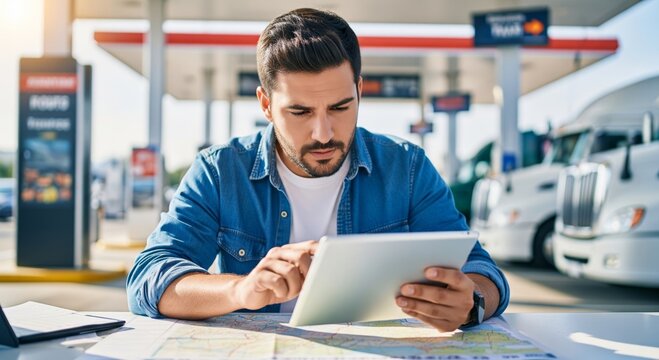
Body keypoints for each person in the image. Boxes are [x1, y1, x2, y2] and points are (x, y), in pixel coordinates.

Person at [127, 8, 509, 332]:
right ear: (265, 104)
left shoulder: (407, 167)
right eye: (300, 112)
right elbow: (149, 277)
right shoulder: (220, 171)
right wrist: (241, 291)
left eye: (341, 107)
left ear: (359, 90)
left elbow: (481, 271)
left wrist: (472, 303)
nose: (323, 133)